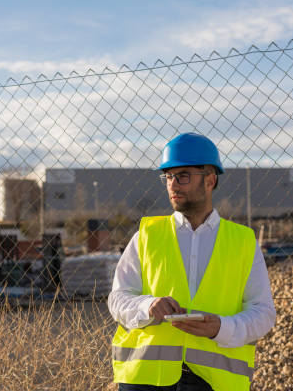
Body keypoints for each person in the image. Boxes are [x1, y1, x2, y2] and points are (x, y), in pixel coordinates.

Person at [108, 133, 276, 391]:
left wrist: (221, 327)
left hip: (212, 382)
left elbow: (263, 314)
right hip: (145, 378)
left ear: (210, 180)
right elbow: (118, 299)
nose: (173, 184)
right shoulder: (147, 235)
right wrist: (148, 305)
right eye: (168, 176)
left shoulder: (243, 242)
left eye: (183, 175)